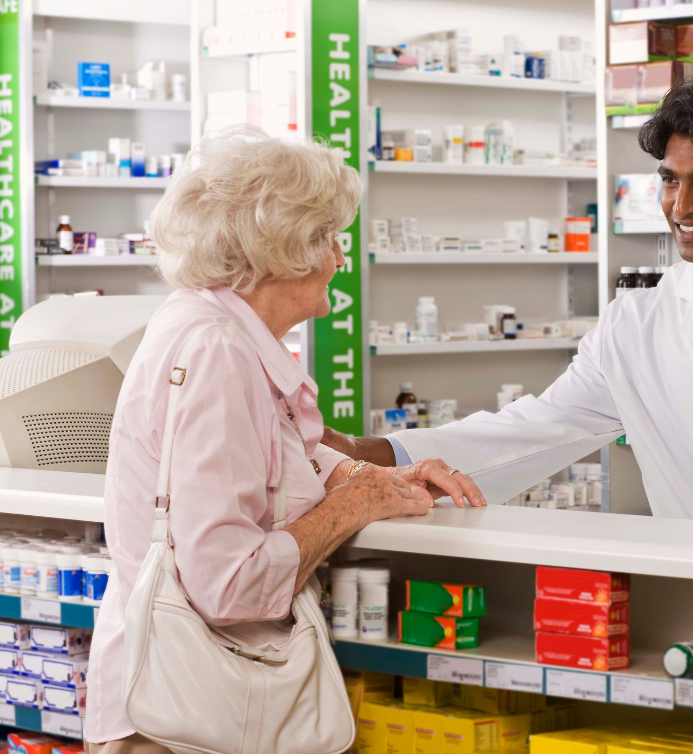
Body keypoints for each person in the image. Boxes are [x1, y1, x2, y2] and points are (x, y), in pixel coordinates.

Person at [325, 80, 693, 533]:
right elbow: (538, 429)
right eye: (670, 179)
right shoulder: (636, 320)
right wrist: (374, 454)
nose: (680, 204)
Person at [84, 127, 484, 753]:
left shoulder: (212, 326)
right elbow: (228, 584)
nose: (340, 259)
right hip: (184, 726)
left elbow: (275, 451)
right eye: (329, 238)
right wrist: (354, 506)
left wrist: (369, 479)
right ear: (282, 249)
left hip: (186, 713)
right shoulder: (217, 350)